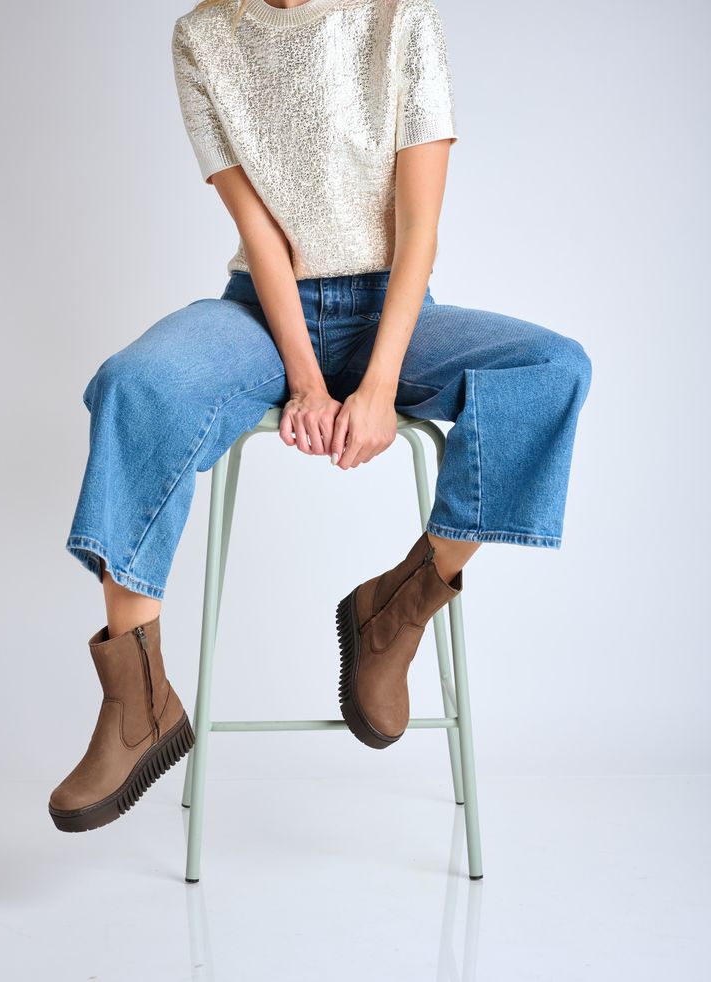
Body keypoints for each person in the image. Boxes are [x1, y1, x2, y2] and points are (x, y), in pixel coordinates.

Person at [49, 0, 592, 831]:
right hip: (260, 314)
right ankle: (140, 702)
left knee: (552, 369)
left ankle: (398, 608)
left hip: (393, 308)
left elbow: (419, 229)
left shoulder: (400, 17)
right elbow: (259, 231)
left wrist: (377, 386)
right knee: (136, 383)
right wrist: (306, 379)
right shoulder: (203, 36)